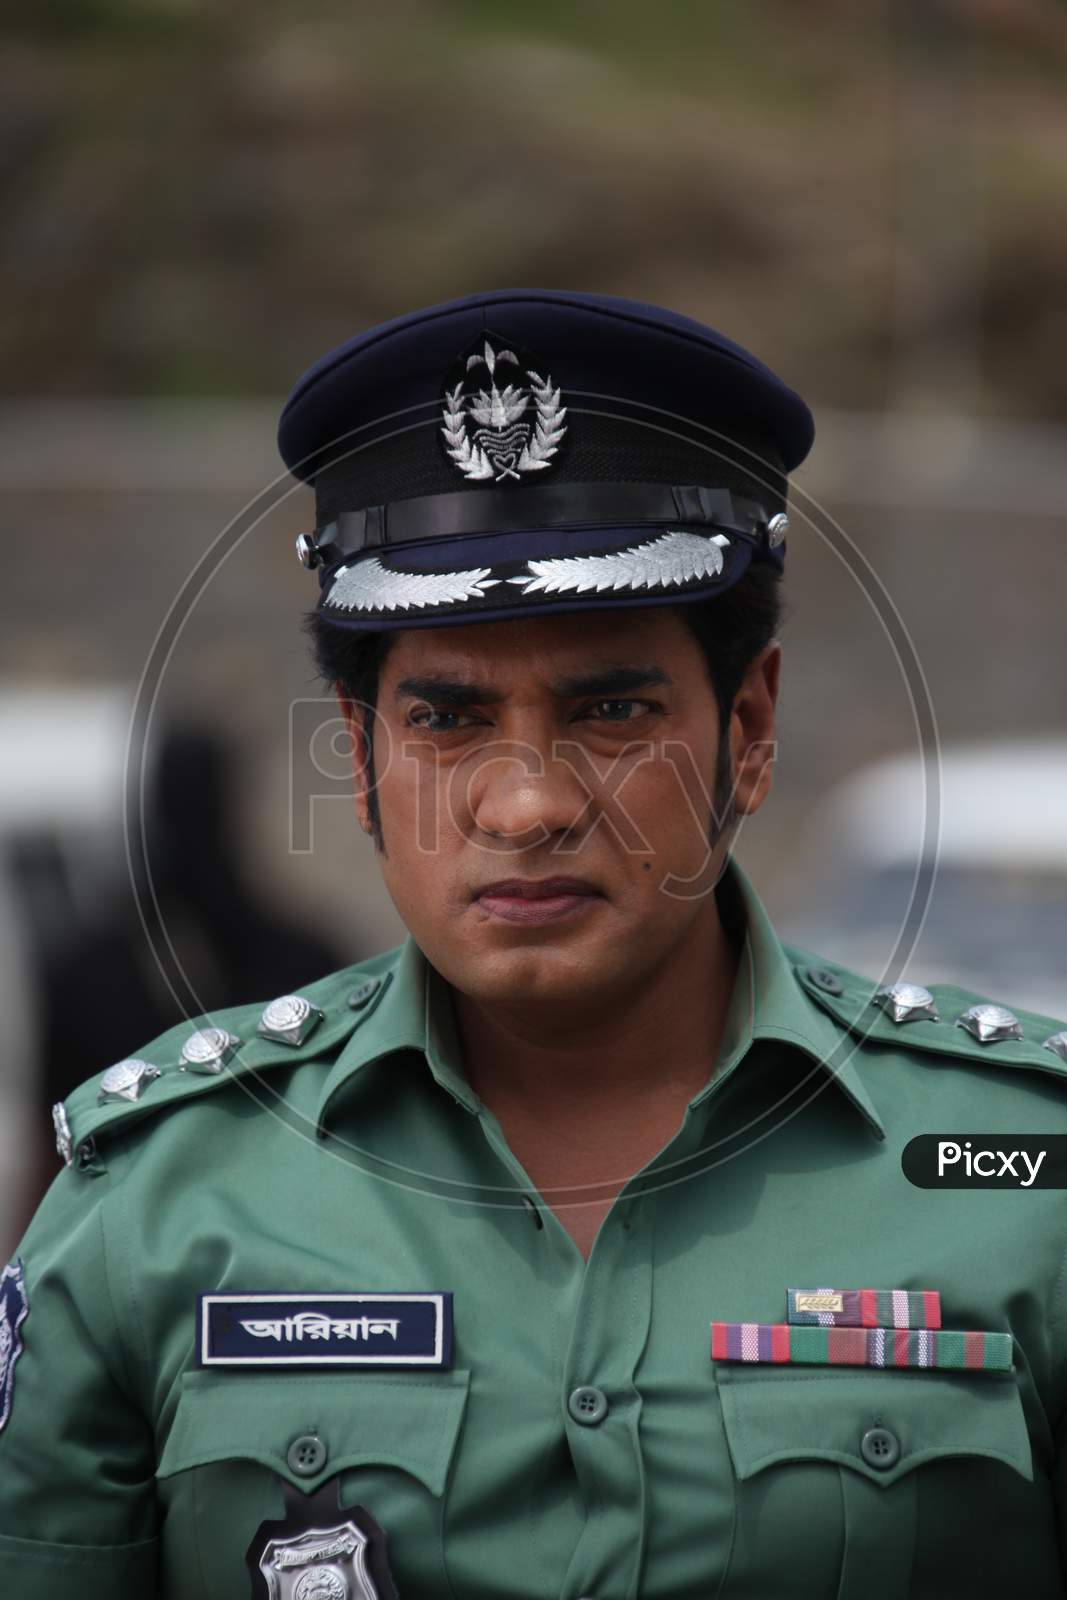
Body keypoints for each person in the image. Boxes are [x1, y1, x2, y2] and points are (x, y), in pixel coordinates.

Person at [2, 288, 1066, 1599]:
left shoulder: (1023, 1173)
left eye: (613, 711)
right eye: (445, 721)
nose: (528, 805)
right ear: (359, 753)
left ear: (753, 724)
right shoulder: (156, 1201)